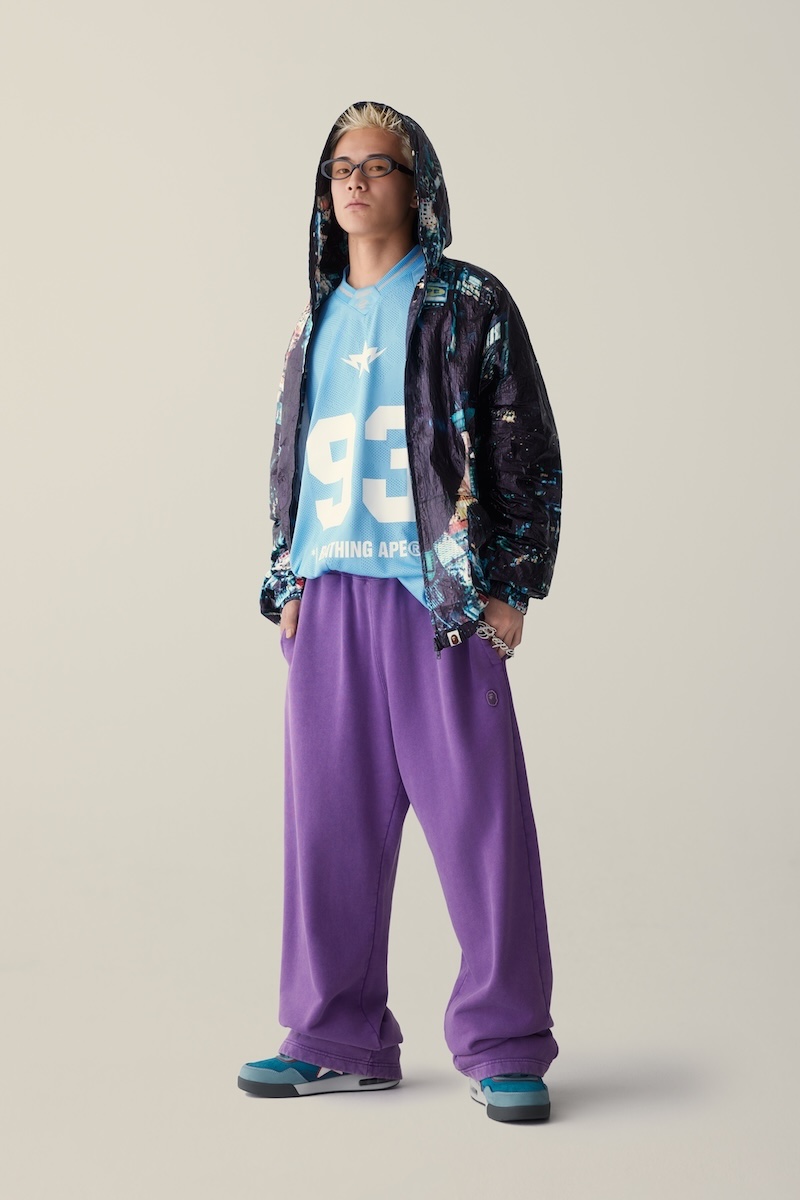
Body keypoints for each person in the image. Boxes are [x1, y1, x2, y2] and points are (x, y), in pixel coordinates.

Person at [237, 101, 562, 1124]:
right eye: (340, 164)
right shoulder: (313, 323)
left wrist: (510, 585)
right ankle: (335, 1038)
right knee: (326, 829)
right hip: (330, 599)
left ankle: (505, 1043)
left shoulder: (468, 302)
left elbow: (522, 442)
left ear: (418, 186)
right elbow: (290, 463)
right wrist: (287, 581)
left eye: (378, 164)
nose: (355, 179)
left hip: (439, 602)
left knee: (480, 827)